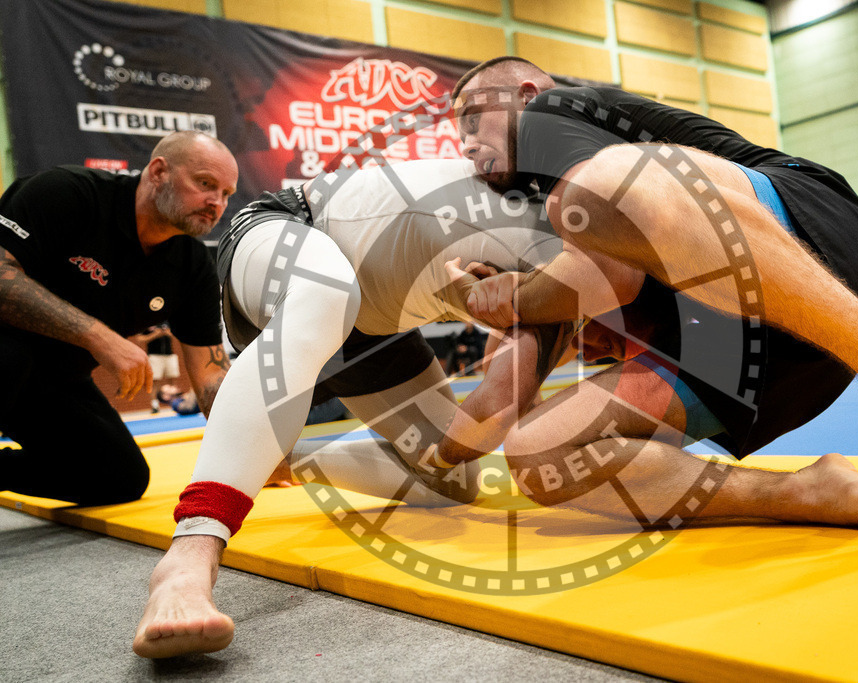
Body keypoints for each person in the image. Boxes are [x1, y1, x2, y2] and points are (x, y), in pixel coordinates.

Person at [446, 56, 858, 539]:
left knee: (604, 186)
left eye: (473, 115)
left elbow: (610, 271)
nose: (465, 141)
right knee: (541, 456)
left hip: (805, 240)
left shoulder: (553, 113)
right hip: (760, 351)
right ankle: (807, 495)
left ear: (524, 94)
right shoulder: (536, 235)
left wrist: (518, 299)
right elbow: (491, 415)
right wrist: (487, 307)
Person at [132, 158, 575, 658]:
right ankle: (189, 556)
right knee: (328, 293)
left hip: (369, 326)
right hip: (287, 232)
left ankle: (286, 458)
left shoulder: (573, 273)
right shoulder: (572, 257)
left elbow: (503, 412)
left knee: (452, 483)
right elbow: (498, 417)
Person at [0, 131, 237, 506]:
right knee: (10, 357)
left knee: (120, 476)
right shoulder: (69, 192)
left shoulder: (193, 266)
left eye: (226, 194)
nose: (216, 202)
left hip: (53, 381)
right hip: (6, 353)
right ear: (158, 172)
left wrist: (246, 456)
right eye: (205, 184)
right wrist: (98, 335)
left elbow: (210, 372)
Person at [134, 323, 179, 412]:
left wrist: (168, 333)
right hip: (154, 355)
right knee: (154, 381)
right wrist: (155, 335)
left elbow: (177, 336)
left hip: (169, 354)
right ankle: (155, 405)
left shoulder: (168, 321)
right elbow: (139, 339)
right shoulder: (149, 321)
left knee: (172, 379)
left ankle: (175, 402)